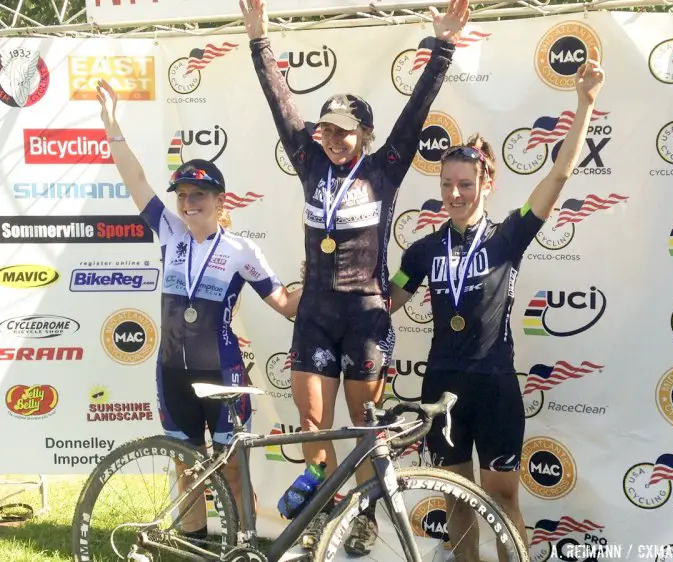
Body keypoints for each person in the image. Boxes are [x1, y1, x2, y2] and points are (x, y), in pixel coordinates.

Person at [240, 0, 470, 553]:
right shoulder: (308, 160)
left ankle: (364, 518)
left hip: (365, 315)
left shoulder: (386, 168)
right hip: (315, 313)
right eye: (327, 130)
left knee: (365, 430)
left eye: (345, 131)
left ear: (364, 134)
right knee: (314, 420)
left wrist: (442, 47)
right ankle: (321, 516)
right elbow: (280, 103)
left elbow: (417, 111)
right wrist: (258, 39)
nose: (334, 139)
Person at [388, 51, 606, 561]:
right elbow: (391, 298)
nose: (455, 194)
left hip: (494, 384)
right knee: (456, 499)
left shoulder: (509, 235)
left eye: (465, 184)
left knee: (503, 497)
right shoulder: (421, 250)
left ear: (486, 183)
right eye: (446, 186)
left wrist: (585, 104)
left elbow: (557, 179)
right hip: (441, 386)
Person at [95, 79, 302, 540]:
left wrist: (322, 276)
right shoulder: (167, 230)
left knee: (232, 469)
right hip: (171, 371)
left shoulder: (242, 250)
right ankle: (193, 543)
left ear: (219, 201)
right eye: (183, 196)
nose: (188, 204)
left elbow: (286, 305)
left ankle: (243, 545)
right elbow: (135, 179)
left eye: (198, 196)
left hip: (222, 376)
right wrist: (112, 126)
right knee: (185, 466)